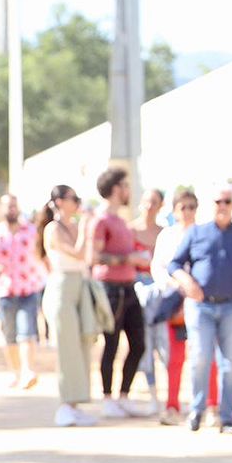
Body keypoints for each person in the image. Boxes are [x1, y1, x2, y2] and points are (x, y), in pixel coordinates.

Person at [168, 184, 232, 433]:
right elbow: (174, 264)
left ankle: (226, 417)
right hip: (201, 307)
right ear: (210, 205)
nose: (222, 206)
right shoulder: (196, 233)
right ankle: (197, 410)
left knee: (230, 363)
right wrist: (186, 281)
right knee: (200, 357)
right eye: (217, 202)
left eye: (226, 202)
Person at [87, 168, 147, 417]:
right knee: (111, 343)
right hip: (110, 288)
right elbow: (95, 256)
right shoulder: (100, 221)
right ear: (115, 189)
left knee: (138, 343)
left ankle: (123, 395)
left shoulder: (122, 220)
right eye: (125, 185)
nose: (128, 191)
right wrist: (127, 258)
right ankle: (108, 397)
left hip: (129, 286)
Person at [36, 185, 98, 427]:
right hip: (62, 289)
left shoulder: (73, 226)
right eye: (74, 198)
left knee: (82, 344)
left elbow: (87, 258)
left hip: (79, 287)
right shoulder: (53, 229)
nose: (78, 202)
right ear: (60, 202)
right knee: (66, 347)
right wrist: (84, 228)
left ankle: (75, 402)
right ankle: (65, 404)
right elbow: (79, 254)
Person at [151, 189, 200, 425]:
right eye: (183, 207)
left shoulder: (204, 233)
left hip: (200, 300)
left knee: (204, 356)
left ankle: (208, 405)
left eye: (192, 206)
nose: (188, 211)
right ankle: (172, 405)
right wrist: (174, 285)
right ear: (174, 210)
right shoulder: (167, 236)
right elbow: (158, 266)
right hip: (174, 301)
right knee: (175, 357)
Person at [0, 194, 44, 388]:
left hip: (29, 289)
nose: (11, 209)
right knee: (9, 334)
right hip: (6, 290)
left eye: (14, 206)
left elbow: (42, 254)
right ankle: (16, 371)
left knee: (28, 331)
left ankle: (28, 370)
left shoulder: (31, 232)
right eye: (7, 206)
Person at [132, 188, 168, 414]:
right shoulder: (130, 230)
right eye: (146, 201)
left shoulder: (165, 233)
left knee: (163, 343)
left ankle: (168, 395)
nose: (149, 206)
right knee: (144, 343)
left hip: (161, 293)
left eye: (154, 202)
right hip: (137, 293)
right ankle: (152, 393)